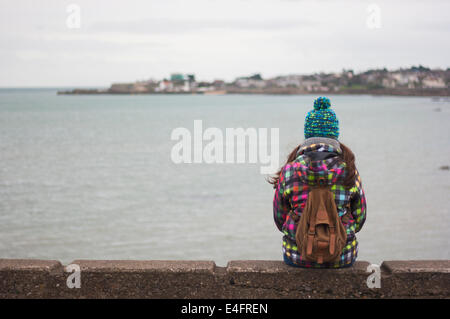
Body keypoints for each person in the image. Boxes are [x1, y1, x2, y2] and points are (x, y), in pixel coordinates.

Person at [270, 97, 367, 268]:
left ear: (308, 134)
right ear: (335, 134)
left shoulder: (290, 170)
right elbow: (360, 218)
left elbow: (279, 218)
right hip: (343, 255)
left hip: (297, 255)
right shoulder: (349, 169)